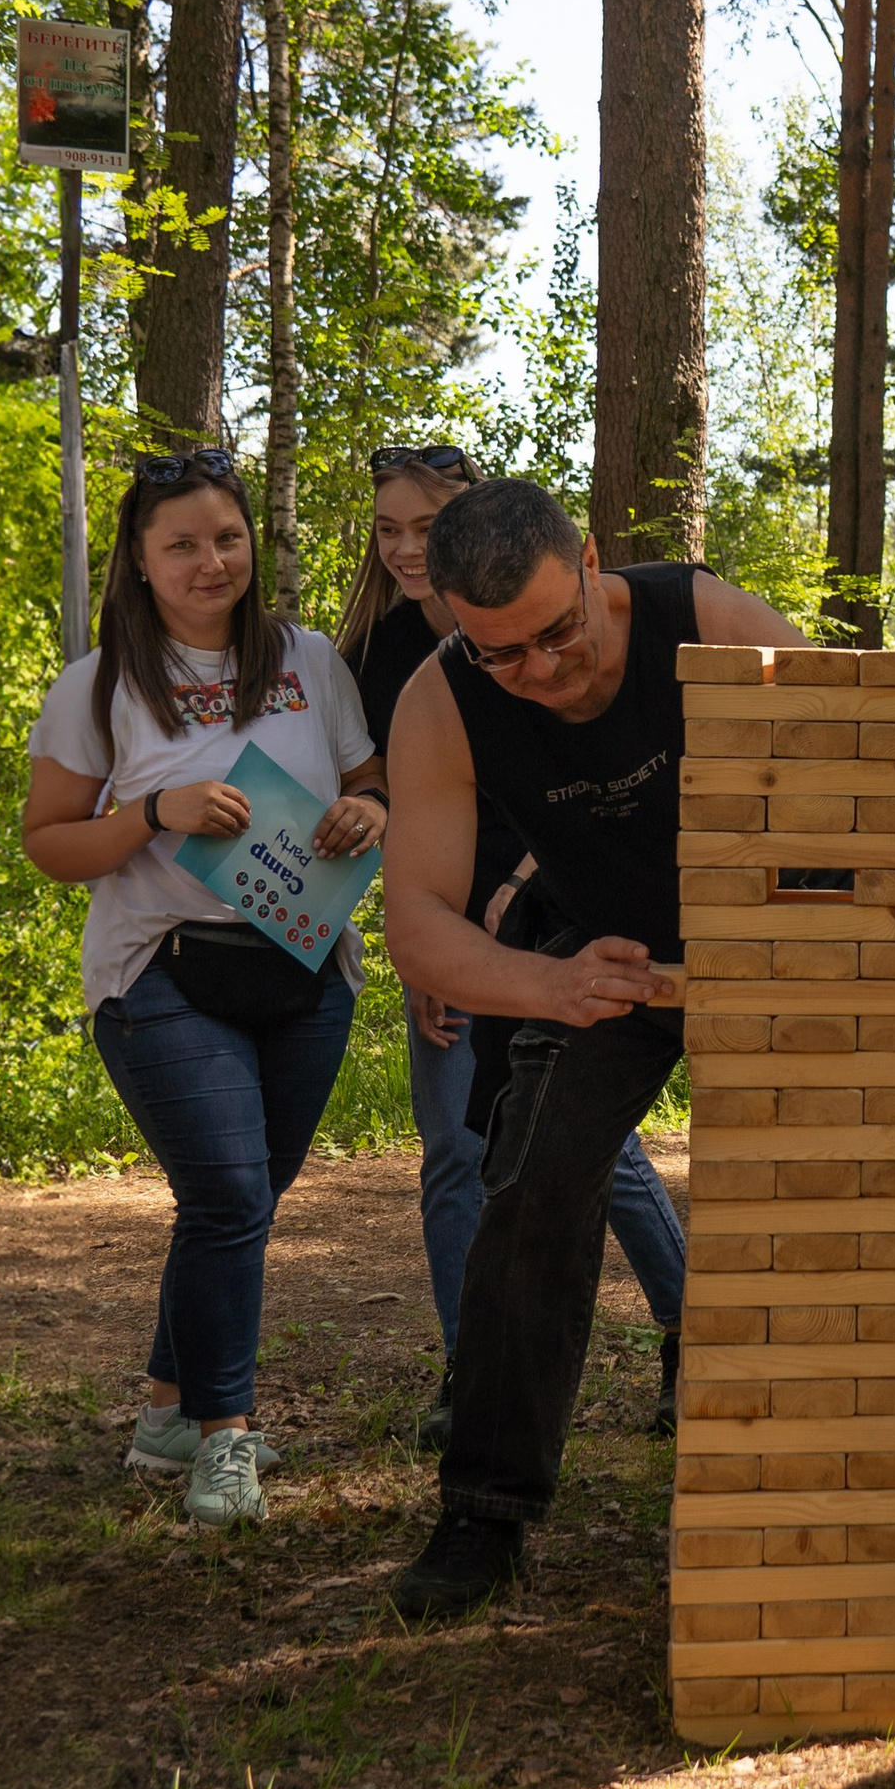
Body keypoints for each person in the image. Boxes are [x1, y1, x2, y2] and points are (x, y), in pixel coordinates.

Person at [376, 479, 895, 1621]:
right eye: (500, 653)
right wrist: (551, 983)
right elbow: (418, 921)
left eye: (556, 633)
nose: (539, 671)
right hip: (609, 960)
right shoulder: (441, 701)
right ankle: (484, 1511)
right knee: (530, 1179)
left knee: (829, 1188)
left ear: (590, 562)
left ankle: (839, 1464)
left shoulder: (699, 614)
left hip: (781, 930)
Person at [21, 447, 387, 1531]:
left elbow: (367, 782)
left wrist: (370, 811)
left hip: (306, 970)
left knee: (237, 1204)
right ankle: (225, 1438)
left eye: (227, 537)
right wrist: (152, 812)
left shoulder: (310, 660)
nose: (209, 561)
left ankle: (167, 1415)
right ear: (138, 560)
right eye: (180, 543)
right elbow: (49, 842)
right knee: (229, 1197)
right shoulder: (99, 686)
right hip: (161, 971)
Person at [339, 445, 689, 1445]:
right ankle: (479, 1405)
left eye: (422, 526)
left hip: (618, 920)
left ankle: (696, 1332)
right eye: (386, 530)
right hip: (502, 937)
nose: (535, 670)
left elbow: (883, 745)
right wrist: (461, 954)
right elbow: (406, 864)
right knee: (484, 1156)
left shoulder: (674, 615)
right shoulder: (395, 666)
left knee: (593, 1150)